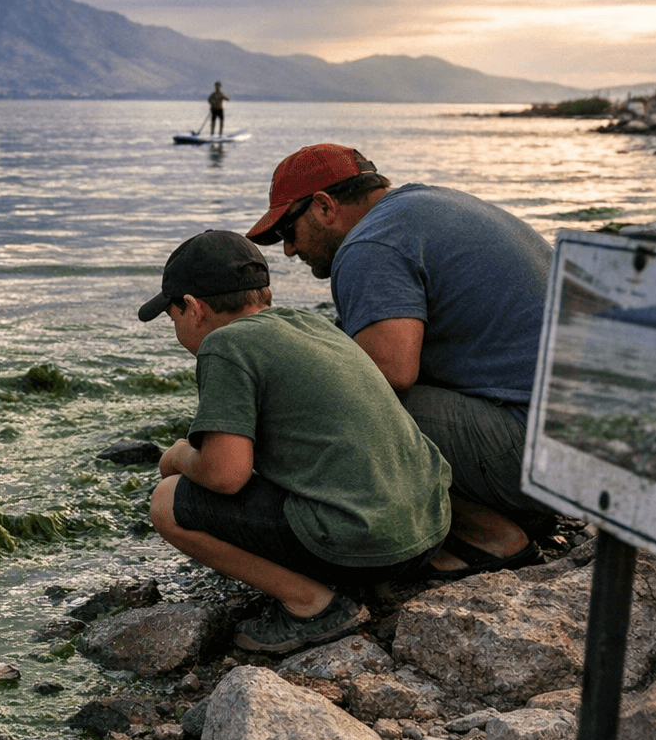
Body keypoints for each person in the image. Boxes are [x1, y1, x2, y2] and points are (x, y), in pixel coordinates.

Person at [245, 143, 553, 575]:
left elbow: (385, 375)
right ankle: (508, 511)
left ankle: (490, 535)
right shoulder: (432, 204)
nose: (289, 252)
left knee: (332, 406)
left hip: (544, 457)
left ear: (323, 206)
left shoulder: (369, 244)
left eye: (287, 233)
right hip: (596, 446)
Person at [140, 229, 453, 653]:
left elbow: (226, 475)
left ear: (194, 308)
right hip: (428, 532)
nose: (177, 328)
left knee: (167, 501)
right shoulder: (310, 325)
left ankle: (313, 606)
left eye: (173, 317)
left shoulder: (225, 345)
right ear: (263, 294)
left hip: (367, 543)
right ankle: (368, 582)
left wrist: (179, 455)